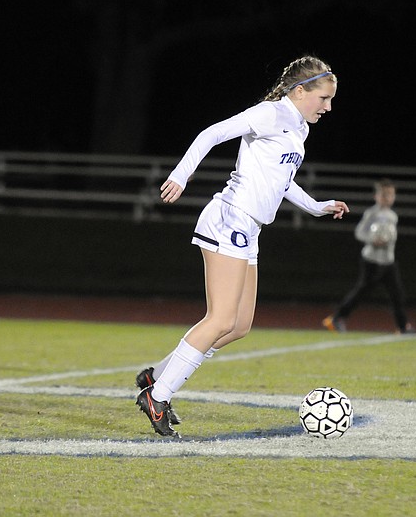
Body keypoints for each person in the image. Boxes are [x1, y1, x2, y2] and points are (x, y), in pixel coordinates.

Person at [135, 55, 349, 438]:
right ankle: (158, 397)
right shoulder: (271, 114)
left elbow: (282, 182)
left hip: (249, 229)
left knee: (238, 326)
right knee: (219, 319)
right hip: (229, 219)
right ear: (300, 91)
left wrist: (317, 206)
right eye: (323, 98)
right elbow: (211, 134)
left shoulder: (299, 128)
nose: (328, 107)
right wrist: (181, 175)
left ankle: (156, 376)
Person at [322, 178, 413, 334]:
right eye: (384, 195)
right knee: (360, 292)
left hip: (388, 262)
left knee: (397, 294)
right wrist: (373, 240)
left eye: (391, 195)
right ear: (376, 196)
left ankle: (403, 327)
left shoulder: (392, 216)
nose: (388, 198)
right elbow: (359, 232)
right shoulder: (372, 213)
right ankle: (335, 319)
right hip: (372, 261)